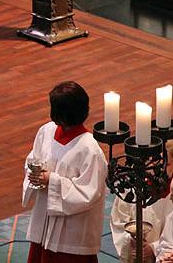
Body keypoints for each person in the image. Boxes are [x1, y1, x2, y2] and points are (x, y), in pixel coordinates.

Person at [22, 81, 107, 263]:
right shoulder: (46, 131)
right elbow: (33, 159)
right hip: (44, 220)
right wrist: (35, 173)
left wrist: (50, 180)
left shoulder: (89, 149)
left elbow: (89, 193)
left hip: (71, 235)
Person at [110, 142, 173, 263]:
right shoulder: (132, 185)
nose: (159, 169)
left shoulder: (172, 192)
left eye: (167, 164)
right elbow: (118, 221)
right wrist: (132, 241)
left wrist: (153, 249)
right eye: (153, 163)